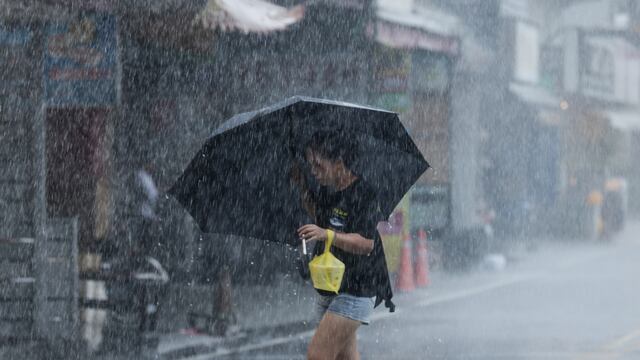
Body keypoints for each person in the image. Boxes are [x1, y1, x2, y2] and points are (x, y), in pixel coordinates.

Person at [290, 130, 394, 360]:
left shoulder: (364, 193)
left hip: (358, 287)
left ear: (339, 163)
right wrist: (302, 186)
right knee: (344, 358)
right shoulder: (332, 192)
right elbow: (320, 215)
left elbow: (366, 243)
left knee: (318, 355)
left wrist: (327, 235)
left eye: (318, 165)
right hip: (334, 285)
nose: (314, 172)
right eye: (311, 166)